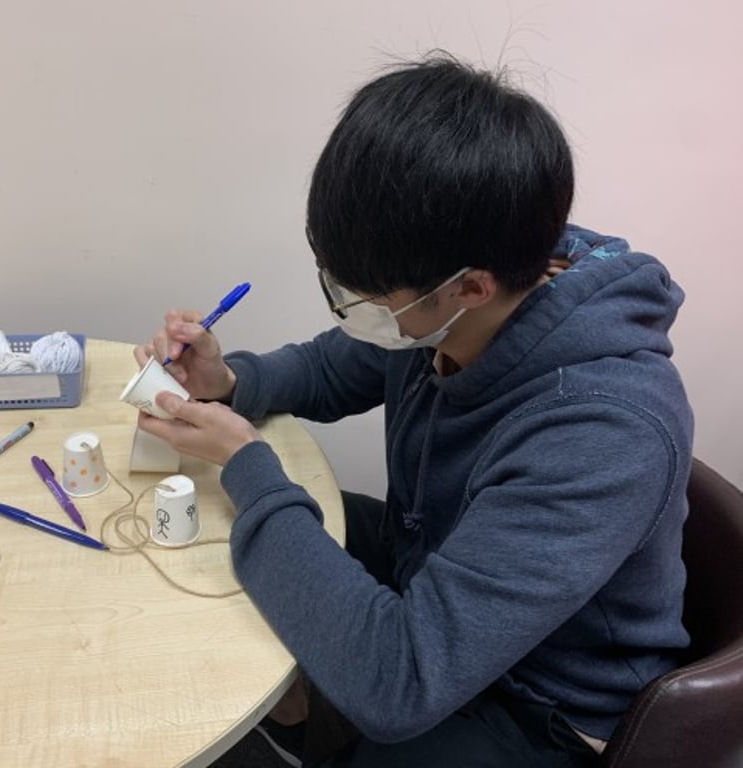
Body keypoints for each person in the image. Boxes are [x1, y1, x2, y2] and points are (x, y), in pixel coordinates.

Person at [134, 52, 693, 768]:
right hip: (432, 573)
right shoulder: (463, 275)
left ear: (471, 288)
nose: (356, 311)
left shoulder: (606, 430)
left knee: (260, 514)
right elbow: (337, 366)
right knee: (229, 528)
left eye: (372, 297)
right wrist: (228, 380)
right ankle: (299, 709)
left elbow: (397, 685)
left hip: (545, 704)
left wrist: (250, 465)